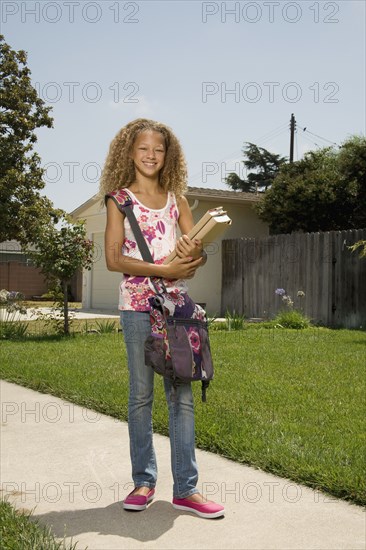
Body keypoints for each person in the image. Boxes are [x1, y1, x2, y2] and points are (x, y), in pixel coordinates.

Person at [100, 118, 225, 519]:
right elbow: (114, 259)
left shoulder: (178, 201)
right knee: (141, 395)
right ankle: (143, 481)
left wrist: (193, 258)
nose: (151, 156)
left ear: (168, 155)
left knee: (182, 397)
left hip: (177, 310)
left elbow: (198, 252)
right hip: (137, 307)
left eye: (158, 149)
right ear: (129, 153)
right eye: (143, 149)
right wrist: (166, 271)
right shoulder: (118, 200)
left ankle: (186, 489)